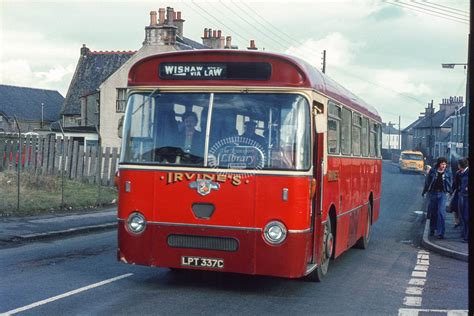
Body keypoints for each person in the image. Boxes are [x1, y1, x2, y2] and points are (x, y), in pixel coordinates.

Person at [422, 156, 453, 239]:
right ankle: (432, 229)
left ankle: (440, 233)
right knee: (433, 212)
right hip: (433, 193)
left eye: (445, 164)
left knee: (441, 213)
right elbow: (427, 182)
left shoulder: (447, 172)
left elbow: (451, 183)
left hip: (443, 194)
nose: (444, 166)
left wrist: (451, 192)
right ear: (439, 164)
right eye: (442, 164)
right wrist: (424, 191)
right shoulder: (433, 171)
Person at [457, 158, 469, 242]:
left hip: (467, 196)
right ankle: (464, 234)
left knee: (466, 216)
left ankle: (466, 236)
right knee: (462, 216)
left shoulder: (467, 173)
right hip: (462, 195)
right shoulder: (460, 173)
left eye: (458, 165)